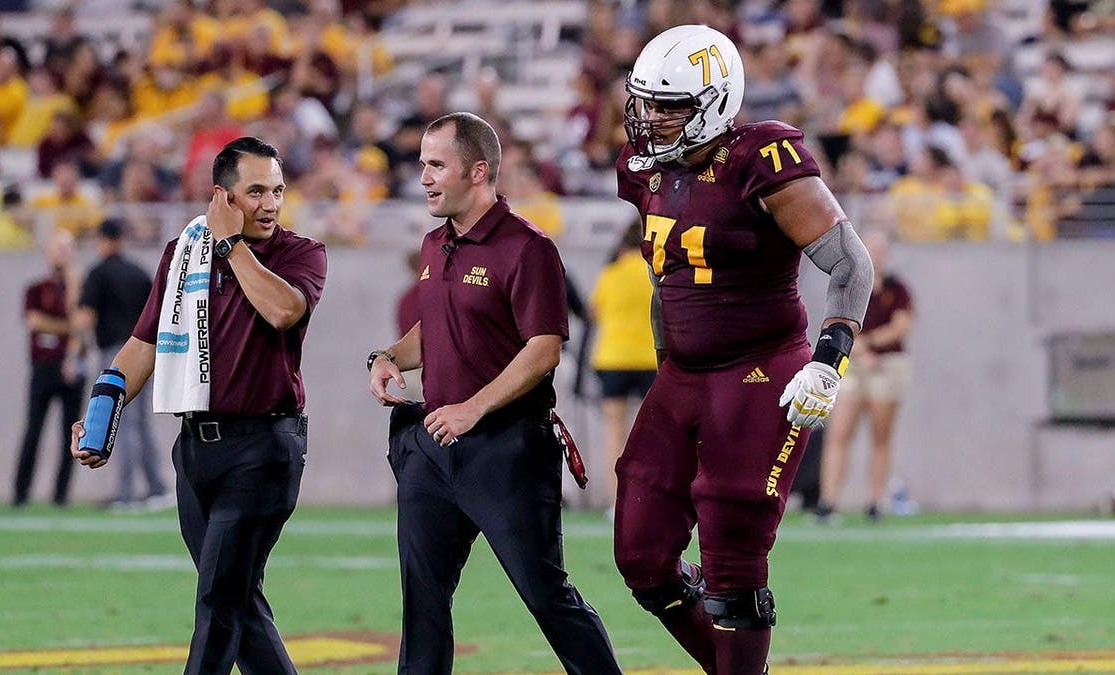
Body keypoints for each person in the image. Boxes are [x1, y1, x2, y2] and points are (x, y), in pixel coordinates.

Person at [613, 25, 874, 674]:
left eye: (667, 105)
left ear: (715, 100)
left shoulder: (763, 160)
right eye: (645, 102)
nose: (650, 118)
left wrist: (828, 358)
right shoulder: (646, 168)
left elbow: (851, 265)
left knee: (732, 560)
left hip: (760, 368)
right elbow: (665, 279)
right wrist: (665, 364)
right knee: (640, 554)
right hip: (683, 373)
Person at [367, 112, 622, 675]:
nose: (424, 178)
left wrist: (473, 407)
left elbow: (544, 347)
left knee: (546, 596)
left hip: (507, 449)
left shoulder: (527, 248)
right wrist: (387, 358)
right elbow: (433, 329)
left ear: (478, 171)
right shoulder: (435, 244)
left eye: (437, 165)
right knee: (423, 605)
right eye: (421, 164)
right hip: (434, 448)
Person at [70, 136, 327, 675]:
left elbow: (283, 311)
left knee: (217, 604)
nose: (271, 204)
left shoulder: (300, 253)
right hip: (195, 453)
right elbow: (144, 343)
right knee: (238, 604)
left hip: (264, 448)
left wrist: (232, 246)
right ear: (221, 197)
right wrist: (102, 412)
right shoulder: (182, 253)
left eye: (277, 190)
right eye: (255, 191)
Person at [72, 218, 169, 510]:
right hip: (144, 353)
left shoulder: (98, 273)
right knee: (138, 423)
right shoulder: (138, 273)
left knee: (117, 422)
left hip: (115, 356)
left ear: (103, 240)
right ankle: (156, 488)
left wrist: (77, 351)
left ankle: (126, 492)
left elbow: (85, 318)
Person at [816, 232, 913, 522]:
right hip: (853, 364)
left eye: (880, 250)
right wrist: (858, 350)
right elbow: (837, 322)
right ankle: (828, 500)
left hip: (886, 365)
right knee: (839, 432)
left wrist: (867, 345)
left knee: (881, 435)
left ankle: (875, 500)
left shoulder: (897, 289)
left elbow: (901, 326)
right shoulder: (850, 285)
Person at [588, 221, 656, 513]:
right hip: (650, 358)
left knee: (615, 432)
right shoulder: (655, 272)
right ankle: (650, 500)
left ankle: (617, 503)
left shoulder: (611, 273)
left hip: (613, 357)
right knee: (654, 434)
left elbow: (594, 311)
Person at [13, 229, 83, 507]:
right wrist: (67, 327)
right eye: (57, 248)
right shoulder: (35, 289)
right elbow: (35, 322)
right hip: (43, 367)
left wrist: (74, 286)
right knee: (33, 430)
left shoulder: (77, 287)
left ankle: (61, 494)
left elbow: (81, 322)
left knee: (71, 433)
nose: (61, 254)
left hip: (70, 369)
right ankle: (20, 492)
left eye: (67, 249)